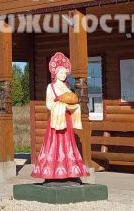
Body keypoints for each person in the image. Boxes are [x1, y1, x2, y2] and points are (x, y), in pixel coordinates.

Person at [30, 51, 91, 182]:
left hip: (67, 119)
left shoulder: (67, 88)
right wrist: (60, 104)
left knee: (68, 143)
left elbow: (72, 100)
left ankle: (70, 171)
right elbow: (48, 104)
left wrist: (70, 104)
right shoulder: (50, 87)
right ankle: (52, 172)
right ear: (55, 74)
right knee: (54, 144)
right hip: (56, 120)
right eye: (61, 73)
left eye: (65, 73)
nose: (64, 75)